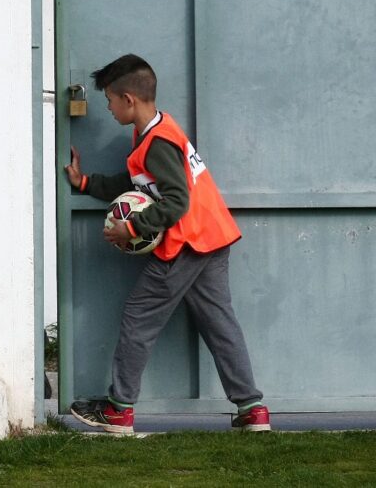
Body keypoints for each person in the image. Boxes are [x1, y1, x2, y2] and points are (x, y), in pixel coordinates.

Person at [65, 54, 270, 434]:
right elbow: (132, 182)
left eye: (110, 100)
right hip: (213, 237)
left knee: (138, 317)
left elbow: (177, 201)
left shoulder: (158, 143)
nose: (108, 108)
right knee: (219, 323)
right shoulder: (155, 132)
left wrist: (134, 228)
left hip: (186, 243)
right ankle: (252, 410)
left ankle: (119, 410)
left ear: (129, 99)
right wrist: (85, 183)